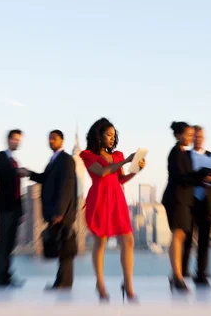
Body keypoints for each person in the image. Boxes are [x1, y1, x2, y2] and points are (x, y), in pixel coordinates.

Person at [79, 118, 145, 302]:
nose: (111, 138)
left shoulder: (117, 155)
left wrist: (135, 170)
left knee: (128, 240)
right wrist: (126, 160)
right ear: (98, 136)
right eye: (108, 135)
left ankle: (128, 285)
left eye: (113, 135)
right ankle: (100, 284)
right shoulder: (87, 155)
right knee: (100, 242)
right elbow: (102, 172)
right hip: (100, 200)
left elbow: (119, 180)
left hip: (117, 200)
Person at [162, 122, 211, 292]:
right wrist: (204, 179)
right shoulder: (176, 153)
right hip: (176, 199)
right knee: (178, 235)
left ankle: (176, 275)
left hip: (183, 200)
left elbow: (191, 174)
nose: (190, 137)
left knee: (179, 236)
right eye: (187, 134)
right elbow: (182, 177)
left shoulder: (184, 154)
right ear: (179, 135)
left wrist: (206, 176)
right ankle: (177, 276)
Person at [21, 130, 77, 290]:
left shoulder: (66, 160)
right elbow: (46, 179)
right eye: (50, 139)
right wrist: (29, 173)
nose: (51, 141)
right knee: (61, 247)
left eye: (55, 138)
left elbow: (66, 186)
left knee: (65, 249)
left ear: (62, 141)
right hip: (57, 211)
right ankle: (61, 282)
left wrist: (59, 212)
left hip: (63, 213)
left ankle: (64, 283)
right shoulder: (54, 160)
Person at [181, 125, 211, 286]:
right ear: (192, 137)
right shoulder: (185, 155)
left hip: (207, 203)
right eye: (196, 136)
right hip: (189, 202)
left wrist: (210, 179)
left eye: (201, 136)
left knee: (204, 242)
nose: (198, 139)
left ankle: (201, 275)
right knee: (186, 240)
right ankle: (182, 272)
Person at [0, 129, 26, 287]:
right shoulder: (1, 157)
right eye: (15, 139)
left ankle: (6, 276)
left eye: (19, 140)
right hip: (4, 208)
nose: (17, 142)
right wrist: (17, 172)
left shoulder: (15, 161)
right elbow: (3, 176)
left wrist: (22, 211)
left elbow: (19, 188)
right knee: (2, 243)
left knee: (10, 244)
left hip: (15, 209)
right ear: (8, 140)